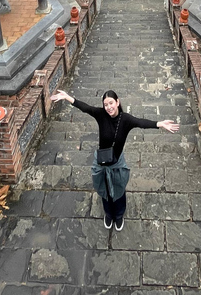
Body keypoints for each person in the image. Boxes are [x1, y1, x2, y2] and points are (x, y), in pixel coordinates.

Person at [50, 89, 179, 231]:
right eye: (106, 104)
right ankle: (109, 214)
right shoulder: (101, 115)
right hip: (102, 162)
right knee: (105, 191)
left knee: (118, 190)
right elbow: (85, 107)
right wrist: (67, 97)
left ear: (117, 102)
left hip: (117, 163)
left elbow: (141, 122)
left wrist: (160, 124)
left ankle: (119, 215)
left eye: (111, 103)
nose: (109, 107)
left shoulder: (126, 120)